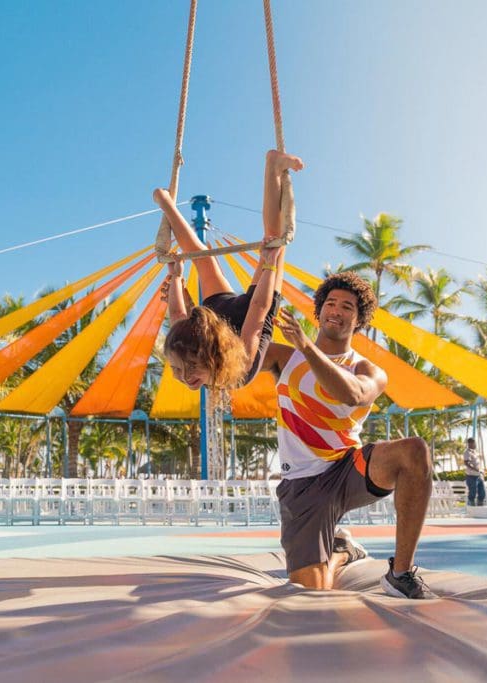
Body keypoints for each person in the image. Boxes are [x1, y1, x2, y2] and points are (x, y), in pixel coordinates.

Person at [265, 271, 436, 599]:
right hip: (302, 487)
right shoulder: (283, 357)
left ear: (358, 320)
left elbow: (353, 396)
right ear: (319, 311)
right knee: (311, 593)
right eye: (330, 303)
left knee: (414, 450)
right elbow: (233, 357)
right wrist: (185, 309)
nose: (337, 310)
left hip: (348, 470)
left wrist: (305, 345)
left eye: (347, 307)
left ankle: (400, 574)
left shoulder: (367, 369)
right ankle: (342, 551)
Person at [155, 150, 304, 393]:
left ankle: (165, 204)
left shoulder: (188, 341)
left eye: (185, 368)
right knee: (272, 239)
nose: (185, 377)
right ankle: (272, 167)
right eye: (180, 369)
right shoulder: (241, 365)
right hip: (247, 317)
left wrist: (177, 275)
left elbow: (177, 312)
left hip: (217, 317)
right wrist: (269, 263)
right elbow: (258, 309)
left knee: (201, 255)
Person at [463, 437, 486, 507]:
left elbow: (477, 462)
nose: (474, 444)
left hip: (479, 475)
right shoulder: (467, 452)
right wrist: (475, 468)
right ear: (470, 444)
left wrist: (481, 471)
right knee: (472, 492)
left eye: (474, 443)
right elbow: (466, 463)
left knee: (482, 492)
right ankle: (471, 505)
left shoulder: (475, 452)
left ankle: (480, 505)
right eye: (473, 443)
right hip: (471, 476)